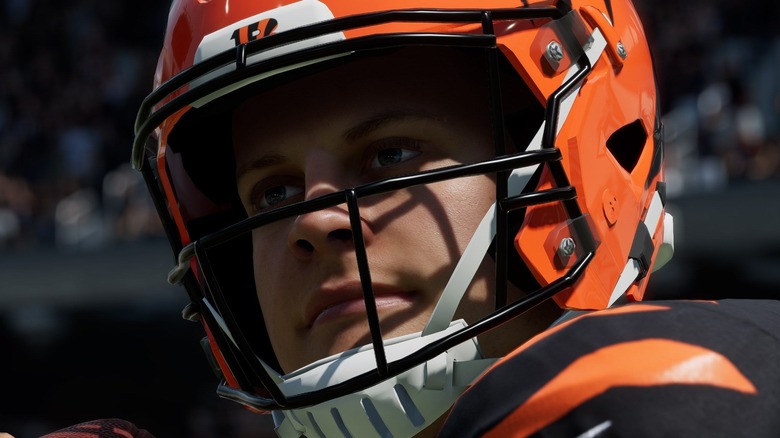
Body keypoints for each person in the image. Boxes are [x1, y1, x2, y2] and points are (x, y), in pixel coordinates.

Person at [26, 0, 778, 436]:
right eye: (275, 195)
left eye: (389, 156)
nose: (313, 224)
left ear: (580, 157)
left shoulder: (696, 397)